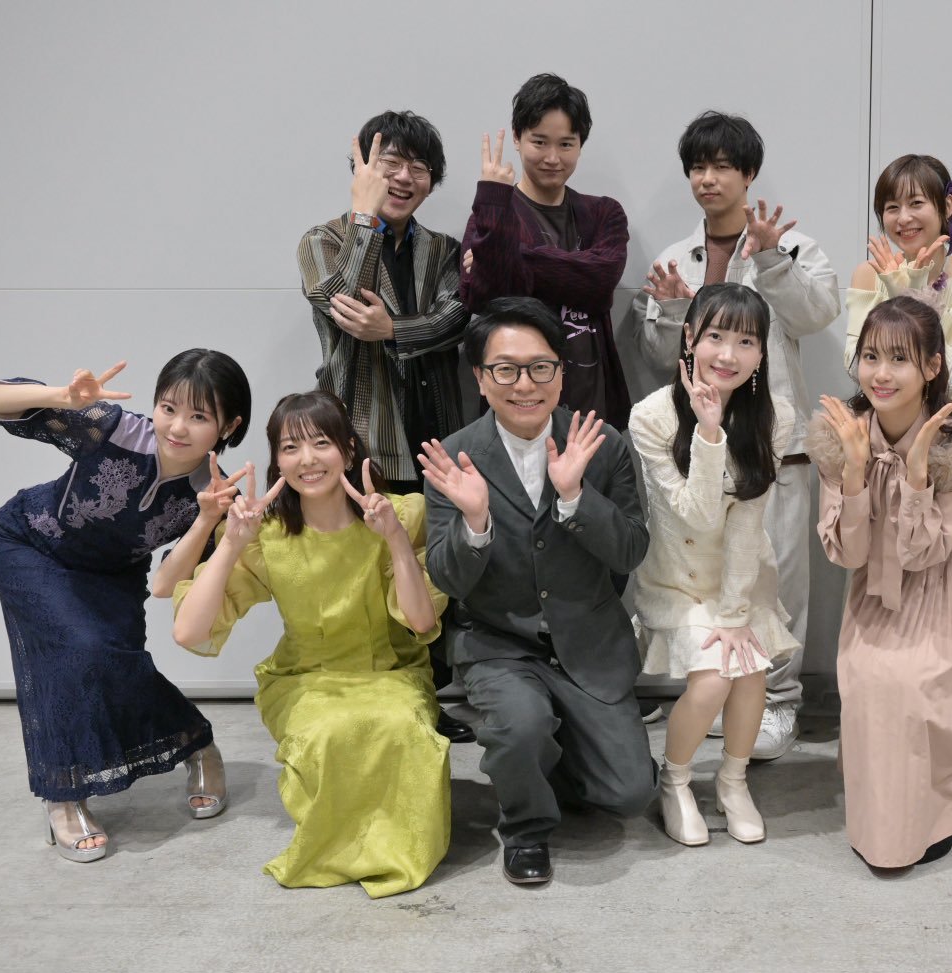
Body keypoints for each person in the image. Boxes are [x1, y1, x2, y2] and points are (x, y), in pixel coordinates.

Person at [171, 391, 452, 897]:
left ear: (348, 449)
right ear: (277, 461)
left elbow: (420, 619)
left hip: (391, 673)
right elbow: (189, 632)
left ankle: (398, 851)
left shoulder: (402, 514)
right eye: (290, 447)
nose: (306, 459)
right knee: (327, 732)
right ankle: (338, 850)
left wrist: (393, 538)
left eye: (321, 443)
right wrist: (230, 542)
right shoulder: (266, 534)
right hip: (305, 679)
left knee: (399, 726)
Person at [0, 351, 251, 862]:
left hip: (113, 576)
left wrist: (206, 520)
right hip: (30, 544)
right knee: (72, 653)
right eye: (168, 408)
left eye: (199, 416)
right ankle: (63, 797)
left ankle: (197, 744)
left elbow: (165, 585)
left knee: (118, 664)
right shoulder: (113, 428)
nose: (178, 427)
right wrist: (60, 397)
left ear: (229, 426)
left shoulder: (214, 492)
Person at [421, 298, 655, 886]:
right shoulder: (455, 456)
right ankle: (524, 826)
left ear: (561, 372)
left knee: (629, 794)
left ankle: (542, 763)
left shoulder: (602, 444)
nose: (524, 384)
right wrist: (475, 521)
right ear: (481, 378)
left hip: (589, 641)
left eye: (540, 367)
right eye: (505, 369)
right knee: (519, 726)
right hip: (499, 643)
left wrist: (576, 498)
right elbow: (447, 581)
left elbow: (631, 552)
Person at [631, 109, 839, 759]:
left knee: (774, 578)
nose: (708, 179)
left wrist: (772, 260)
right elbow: (658, 357)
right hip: (695, 445)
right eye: (698, 167)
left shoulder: (792, 246)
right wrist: (671, 313)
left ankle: (778, 700)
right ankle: (711, 686)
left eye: (722, 166)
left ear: (748, 174)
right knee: (700, 572)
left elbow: (818, 313)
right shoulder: (674, 259)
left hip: (771, 440)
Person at [810, 295, 952, 871]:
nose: (881, 374)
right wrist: (856, 472)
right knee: (871, 677)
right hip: (880, 585)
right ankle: (890, 815)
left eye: (899, 359)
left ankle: (944, 809)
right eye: (870, 357)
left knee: (916, 684)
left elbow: (926, 552)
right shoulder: (841, 435)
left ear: (933, 367)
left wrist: (916, 475)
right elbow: (848, 553)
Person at [298, 109, 479, 743]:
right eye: (389, 164)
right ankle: (371, 693)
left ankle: (426, 693)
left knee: (432, 569)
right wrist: (365, 218)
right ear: (362, 170)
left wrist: (393, 330)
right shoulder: (322, 240)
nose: (403, 177)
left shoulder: (444, 249)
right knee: (364, 572)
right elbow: (341, 302)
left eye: (418, 167)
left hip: (438, 429)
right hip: (362, 432)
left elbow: (458, 317)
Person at [631, 284, 798, 846]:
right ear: (689, 338)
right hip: (676, 580)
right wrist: (708, 431)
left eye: (746, 342)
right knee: (710, 684)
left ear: (762, 353)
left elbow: (748, 523)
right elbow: (696, 516)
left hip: (740, 579)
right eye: (716, 337)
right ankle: (675, 781)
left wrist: (734, 614)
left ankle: (732, 782)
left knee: (750, 674)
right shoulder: (652, 416)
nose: (728, 354)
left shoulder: (774, 418)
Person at [461, 73, 631, 427]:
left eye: (566, 144)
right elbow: (483, 298)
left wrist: (509, 255)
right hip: (517, 405)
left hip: (592, 406)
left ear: (580, 145)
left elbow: (601, 282)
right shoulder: (492, 213)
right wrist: (493, 206)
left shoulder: (604, 213)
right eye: (539, 142)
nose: (553, 158)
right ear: (518, 139)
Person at [845, 155, 952, 399]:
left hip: (943, 418)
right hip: (880, 415)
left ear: (947, 205)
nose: (904, 218)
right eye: (892, 207)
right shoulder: (868, 274)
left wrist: (910, 300)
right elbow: (854, 367)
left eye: (916, 203)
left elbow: (951, 380)